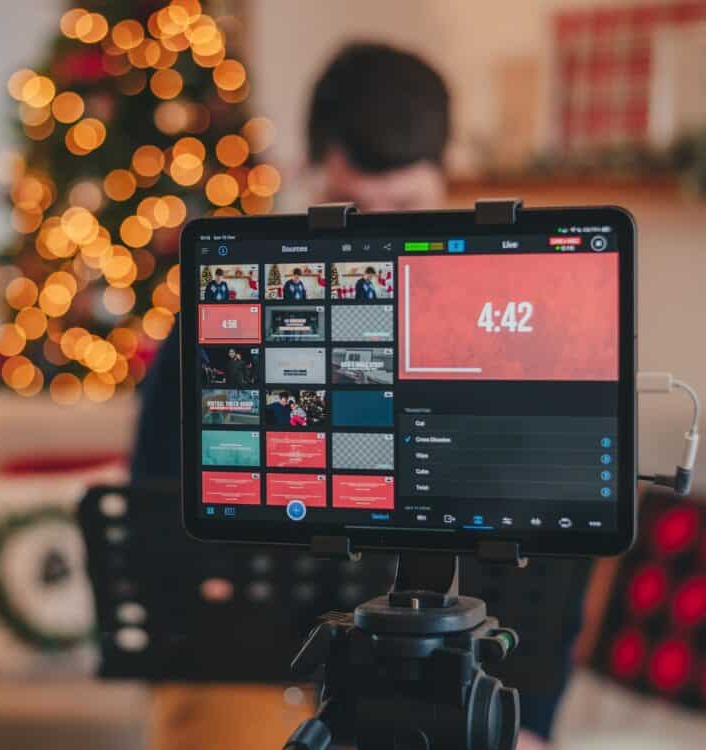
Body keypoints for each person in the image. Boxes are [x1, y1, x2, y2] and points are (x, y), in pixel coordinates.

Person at [134, 43, 557, 749]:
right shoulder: (221, 318)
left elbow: (547, 570)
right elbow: (151, 504)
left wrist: (533, 725)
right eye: (354, 209)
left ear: (446, 182)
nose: (380, 239)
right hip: (251, 676)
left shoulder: (508, 330)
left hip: (448, 672)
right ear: (310, 175)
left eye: (407, 207)